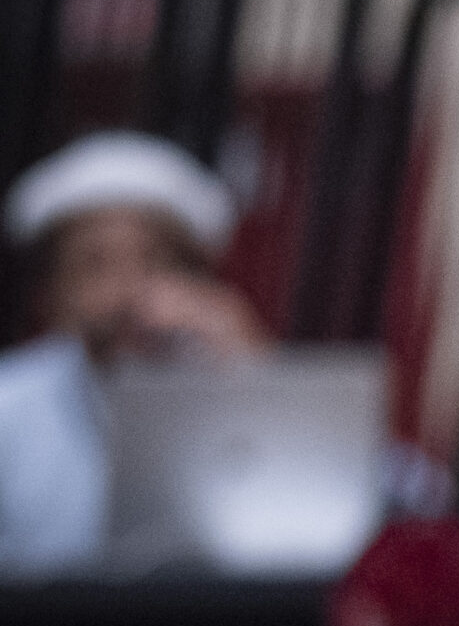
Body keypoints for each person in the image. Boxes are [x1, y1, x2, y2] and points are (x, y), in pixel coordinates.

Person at [0, 130, 265, 573]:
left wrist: (259, 378)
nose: (126, 293)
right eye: (94, 265)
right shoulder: (8, 405)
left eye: (153, 262)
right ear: (51, 296)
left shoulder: (229, 378)